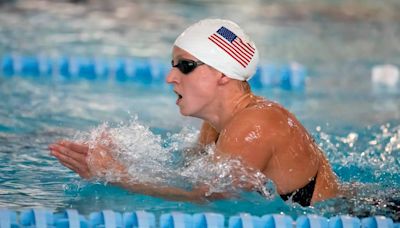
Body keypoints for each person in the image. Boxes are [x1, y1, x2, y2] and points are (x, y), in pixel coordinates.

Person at [49, 18, 339, 207]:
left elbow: (211, 199)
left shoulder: (255, 125)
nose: (170, 77)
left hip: (360, 216)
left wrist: (118, 176)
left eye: (184, 66)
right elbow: (187, 176)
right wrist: (121, 158)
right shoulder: (217, 125)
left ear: (222, 74)